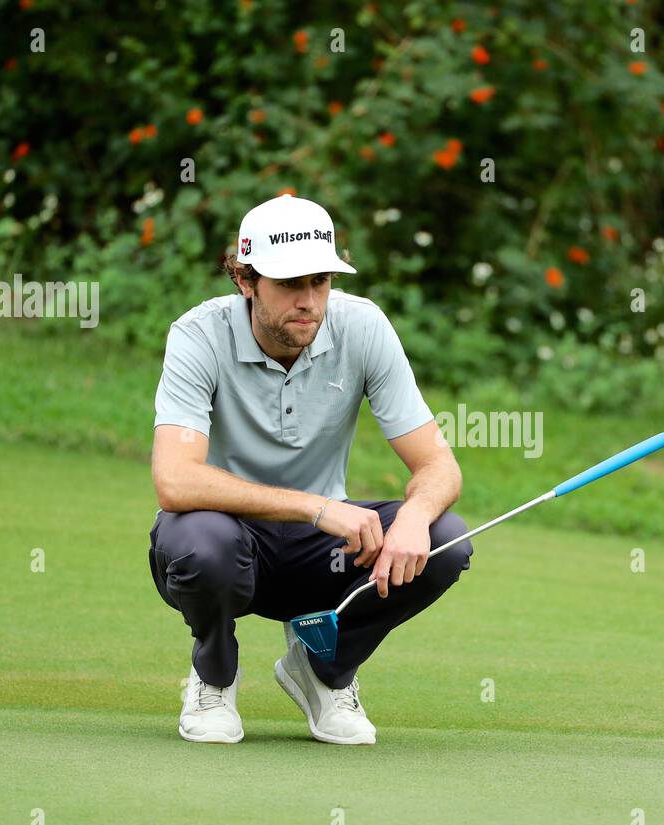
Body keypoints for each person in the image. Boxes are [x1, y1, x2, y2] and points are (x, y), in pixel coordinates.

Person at [148, 194, 472, 746]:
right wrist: (318, 507)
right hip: (226, 542)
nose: (309, 301)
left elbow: (438, 463)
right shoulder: (198, 335)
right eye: (290, 284)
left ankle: (323, 669)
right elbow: (175, 480)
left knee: (446, 539)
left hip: (322, 556)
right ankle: (214, 674)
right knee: (201, 543)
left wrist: (416, 515)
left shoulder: (363, 327)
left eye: (319, 282)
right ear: (246, 280)